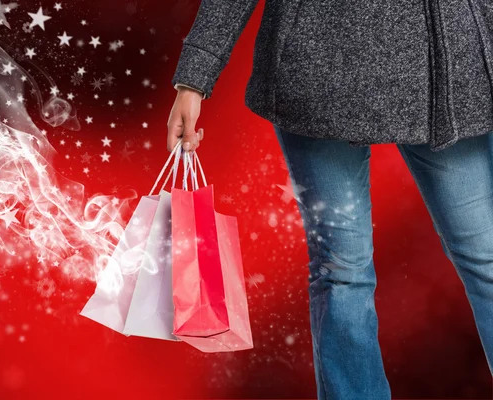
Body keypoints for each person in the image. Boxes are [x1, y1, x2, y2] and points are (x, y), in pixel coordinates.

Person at [166, 1, 493, 399]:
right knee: (343, 271)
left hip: (447, 68)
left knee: (486, 253)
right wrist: (194, 79)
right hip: (319, 65)